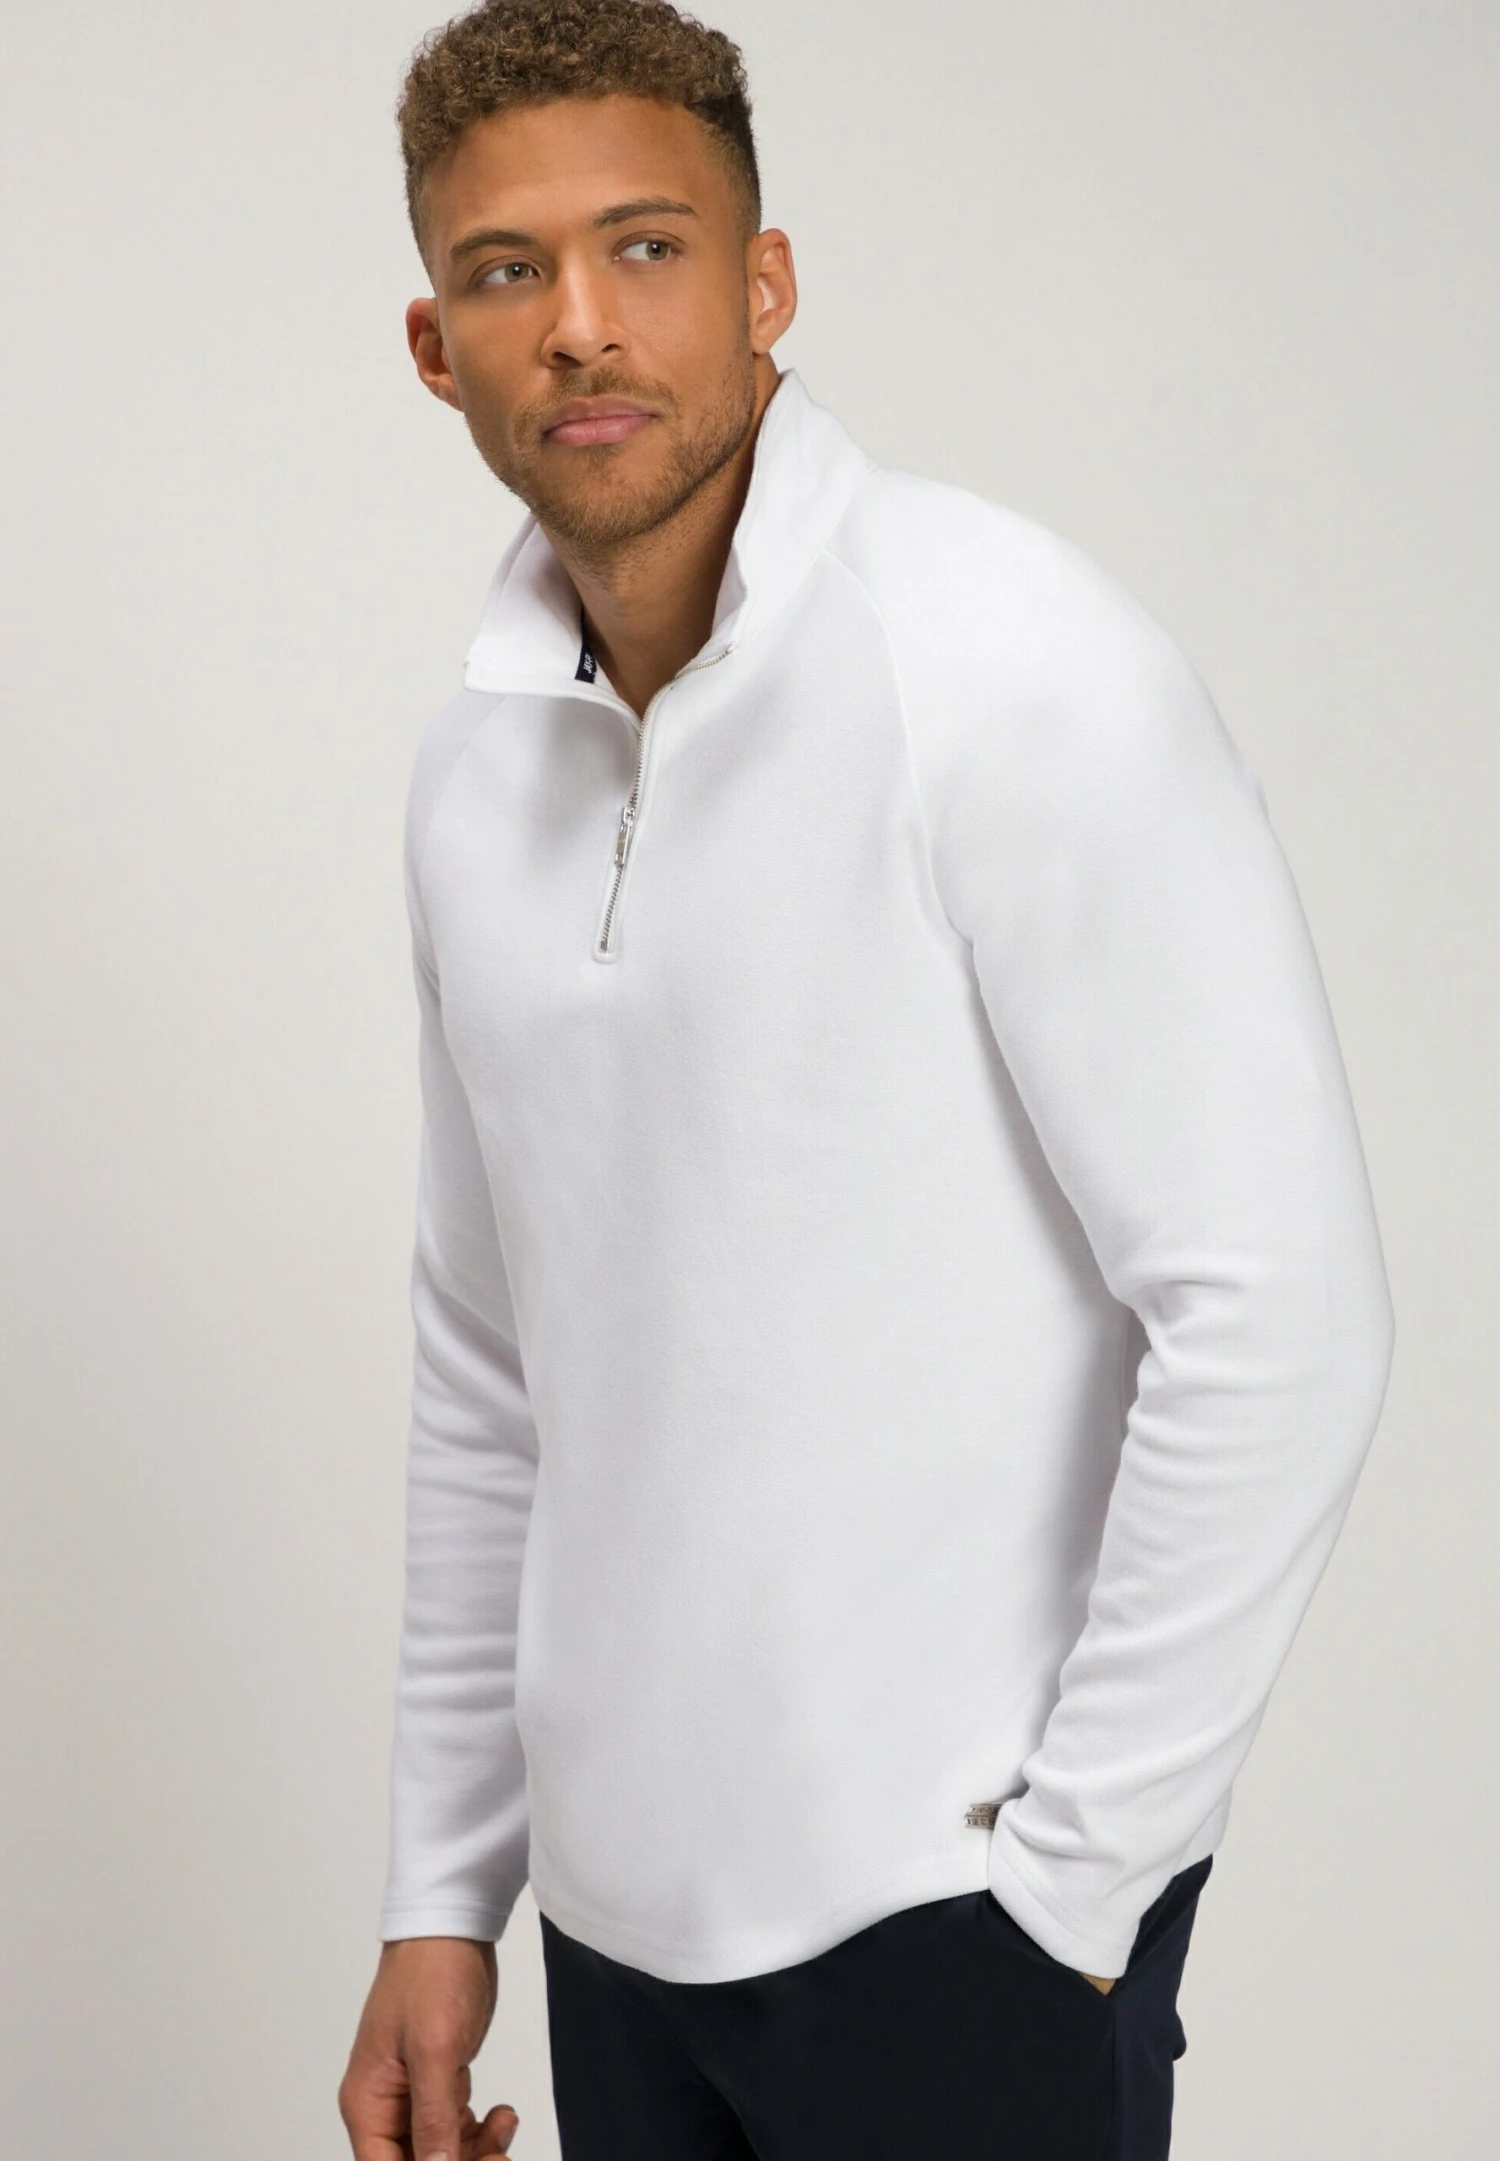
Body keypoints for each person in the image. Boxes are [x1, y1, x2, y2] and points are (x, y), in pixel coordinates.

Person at [337, 3, 1396, 2156]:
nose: (580, 323)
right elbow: (489, 1360)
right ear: (437, 347)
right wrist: (444, 1895)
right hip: (616, 1940)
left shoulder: (1009, 665)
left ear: (767, 283)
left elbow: (1282, 1312)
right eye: (508, 269)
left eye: (645, 246)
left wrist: (1075, 1891)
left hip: (955, 1928)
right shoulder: (473, 775)